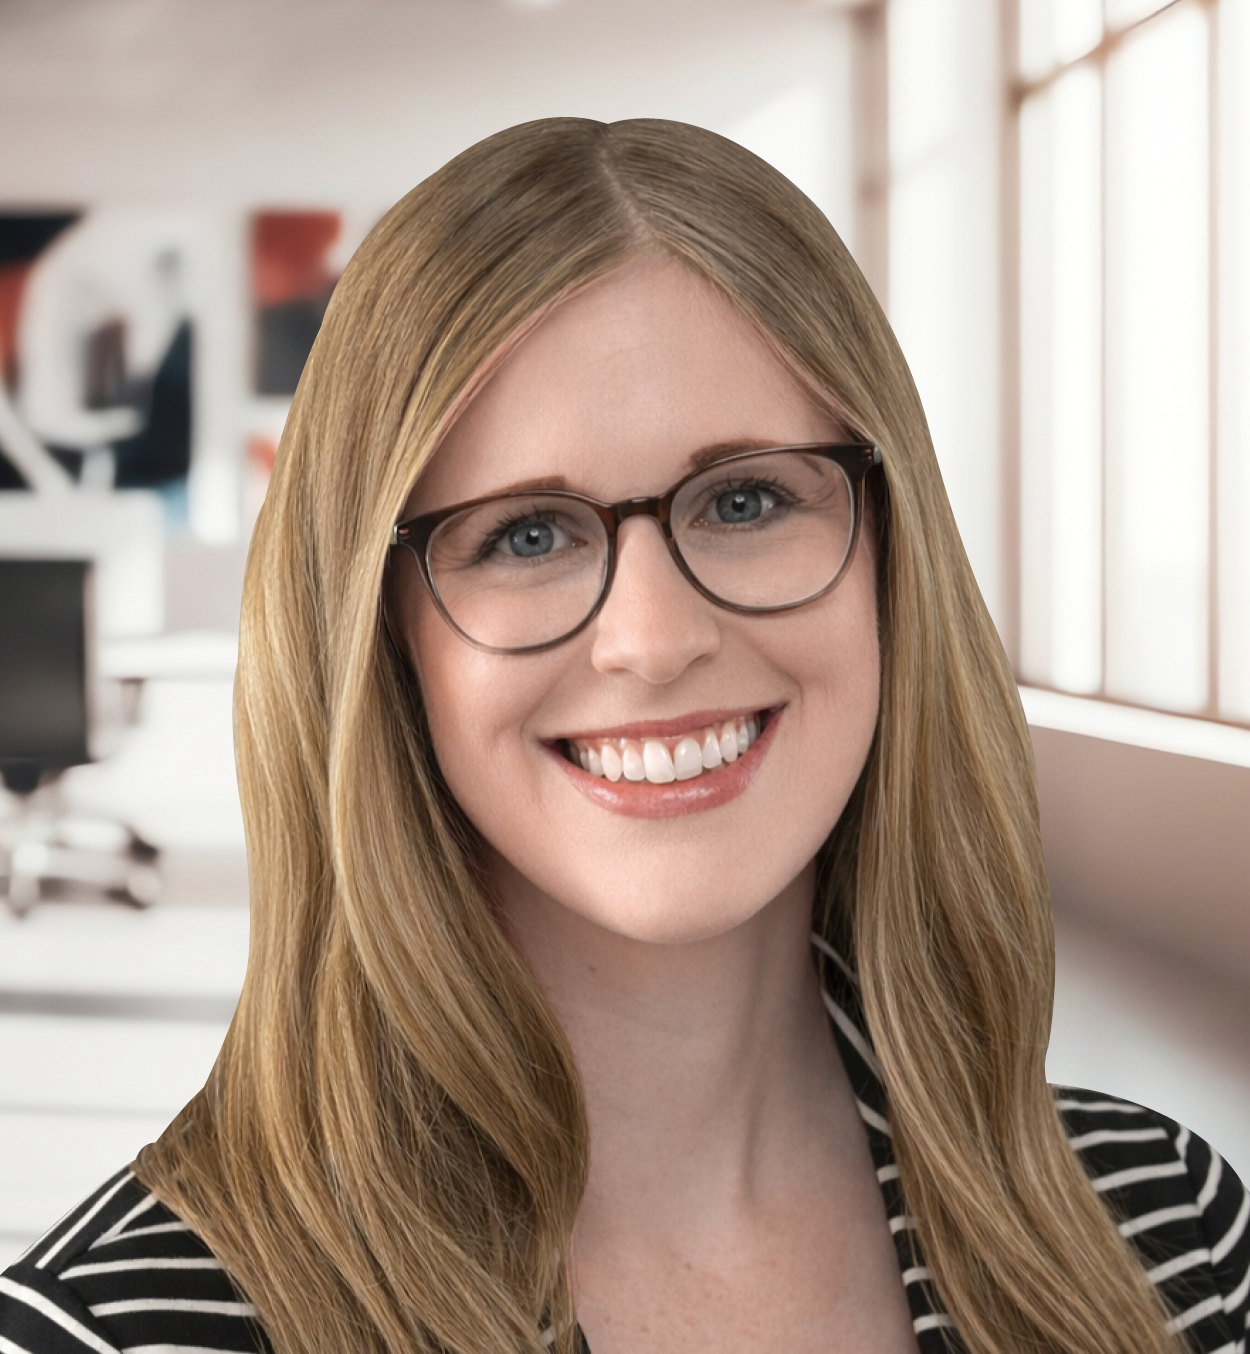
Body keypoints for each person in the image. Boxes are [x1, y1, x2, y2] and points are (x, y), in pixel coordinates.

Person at [1, 118, 1246, 1354]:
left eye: (744, 499)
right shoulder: (121, 1334)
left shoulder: (1166, 1233)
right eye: (525, 534)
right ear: (381, 637)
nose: (651, 640)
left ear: (890, 551)